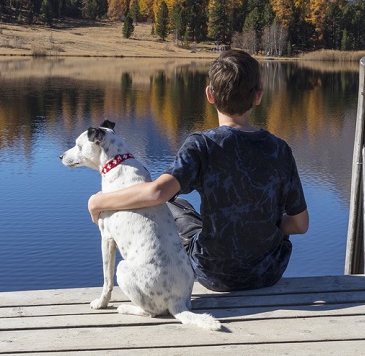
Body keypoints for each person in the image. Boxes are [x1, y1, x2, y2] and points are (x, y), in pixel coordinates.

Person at [87, 49, 309, 291]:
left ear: (209, 95)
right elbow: (300, 225)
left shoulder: (203, 145)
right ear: (258, 96)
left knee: (172, 204)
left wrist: (100, 202)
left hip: (213, 273)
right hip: (268, 273)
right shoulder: (280, 150)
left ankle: (151, 279)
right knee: (183, 206)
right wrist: (263, 223)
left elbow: (157, 193)